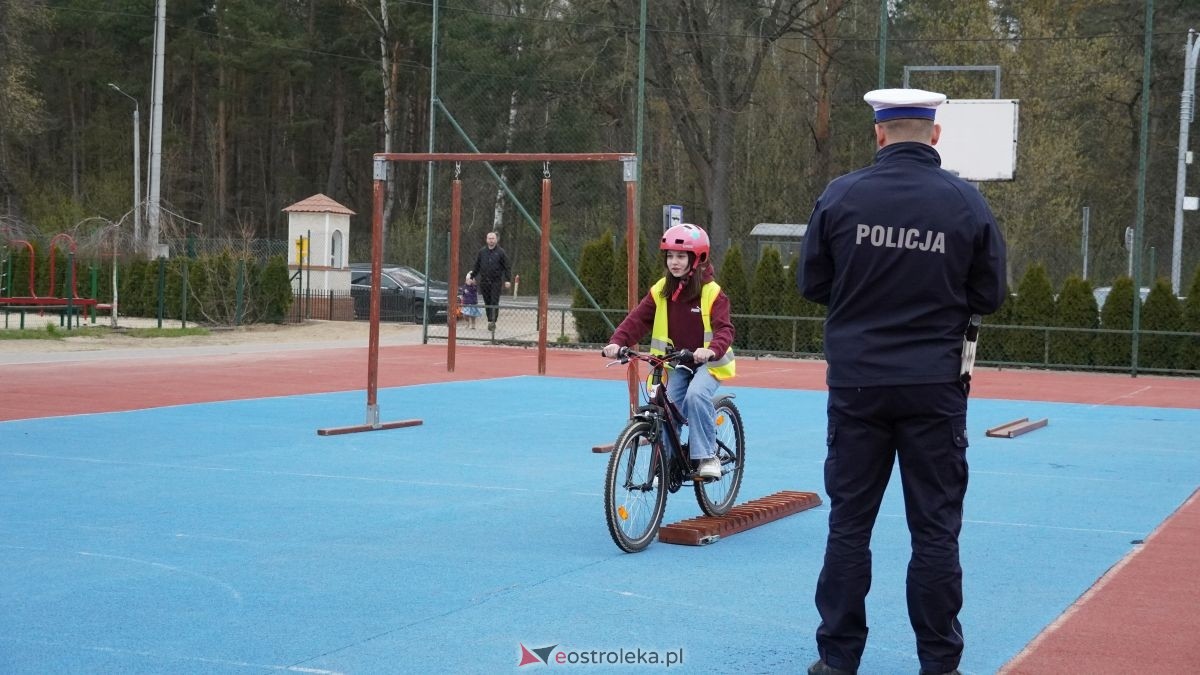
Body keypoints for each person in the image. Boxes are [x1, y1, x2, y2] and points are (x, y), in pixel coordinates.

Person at [798, 88, 1007, 675]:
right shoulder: (967, 203)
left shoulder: (841, 196)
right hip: (934, 387)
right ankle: (940, 664)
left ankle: (838, 661)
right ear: (935, 135)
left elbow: (813, 284)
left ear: (879, 133)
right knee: (935, 532)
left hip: (859, 385)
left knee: (849, 527)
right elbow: (989, 295)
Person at [601, 223, 736, 481]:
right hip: (678, 363)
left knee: (696, 396)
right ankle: (666, 457)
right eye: (670, 256)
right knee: (665, 405)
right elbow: (637, 320)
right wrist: (617, 342)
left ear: (697, 259)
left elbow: (725, 330)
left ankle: (707, 456)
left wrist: (710, 351)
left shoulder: (712, 293)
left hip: (711, 363)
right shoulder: (662, 290)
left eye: (681, 256)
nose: (674, 262)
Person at [469, 231, 512, 331]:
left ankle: (493, 321)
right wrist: (472, 276)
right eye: (489, 238)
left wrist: (507, 280)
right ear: (486, 240)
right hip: (484, 281)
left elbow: (507, 267)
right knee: (487, 301)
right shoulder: (482, 252)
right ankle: (489, 320)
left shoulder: (501, 252)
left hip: (496, 282)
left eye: (493, 238)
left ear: (496, 240)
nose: (491, 240)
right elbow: (477, 266)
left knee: (494, 301)